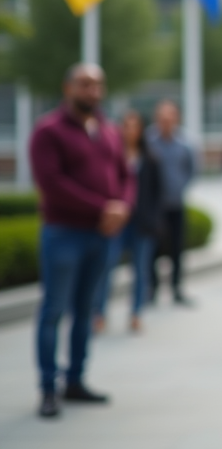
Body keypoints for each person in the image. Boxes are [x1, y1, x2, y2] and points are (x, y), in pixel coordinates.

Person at [30, 63, 135, 418]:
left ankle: (75, 379)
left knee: (87, 310)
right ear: (68, 87)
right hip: (65, 234)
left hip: (102, 235)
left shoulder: (107, 129)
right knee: (54, 310)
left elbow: (125, 175)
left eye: (97, 85)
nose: (92, 91)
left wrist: (122, 207)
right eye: (84, 84)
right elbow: (52, 183)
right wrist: (104, 207)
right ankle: (48, 387)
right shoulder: (48, 130)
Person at [93, 110, 162, 334]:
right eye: (126, 126)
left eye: (135, 126)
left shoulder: (150, 158)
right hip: (117, 221)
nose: (130, 131)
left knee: (140, 269)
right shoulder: (111, 155)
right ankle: (99, 313)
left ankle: (136, 313)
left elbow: (157, 193)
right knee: (107, 267)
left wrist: (153, 220)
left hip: (141, 222)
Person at [146, 99, 195, 306]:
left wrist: (180, 187)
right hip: (154, 205)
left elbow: (192, 169)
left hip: (176, 203)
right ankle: (152, 288)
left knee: (176, 247)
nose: (166, 121)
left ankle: (176, 288)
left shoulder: (184, 142)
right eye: (162, 118)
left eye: (170, 117)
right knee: (153, 248)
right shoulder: (148, 141)